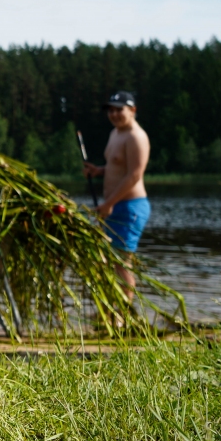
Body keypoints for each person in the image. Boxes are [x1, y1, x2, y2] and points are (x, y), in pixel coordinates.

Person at [82, 91, 151, 300]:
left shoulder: (136, 137)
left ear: (132, 110)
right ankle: (113, 309)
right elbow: (117, 166)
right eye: (110, 110)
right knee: (109, 260)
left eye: (119, 109)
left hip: (129, 207)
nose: (113, 114)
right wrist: (98, 171)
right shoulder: (116, 133)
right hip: (114, 205)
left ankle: (124, 314)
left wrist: (109, 203)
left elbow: (134, 175)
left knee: (122, 262)